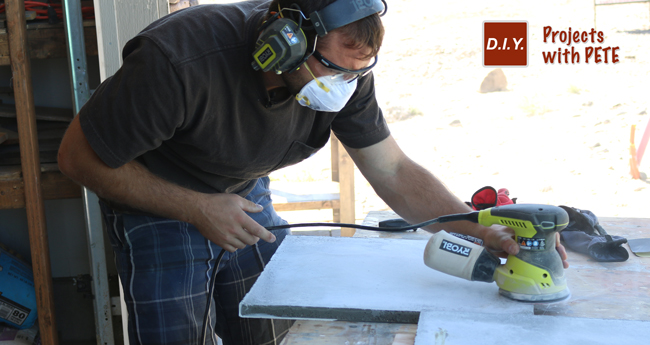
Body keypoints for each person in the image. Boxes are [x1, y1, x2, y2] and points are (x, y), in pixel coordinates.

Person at [58, 0, 569, 344]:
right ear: (286, 41)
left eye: (359, 72)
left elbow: (391, 169)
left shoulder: (344, 73)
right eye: (336, 70)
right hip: (160, 198)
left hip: (242, 193)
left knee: (267, 328)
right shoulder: (180, 60)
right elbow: (77, 159)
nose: (346, 86)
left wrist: (477, 227)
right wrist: (194, 207)